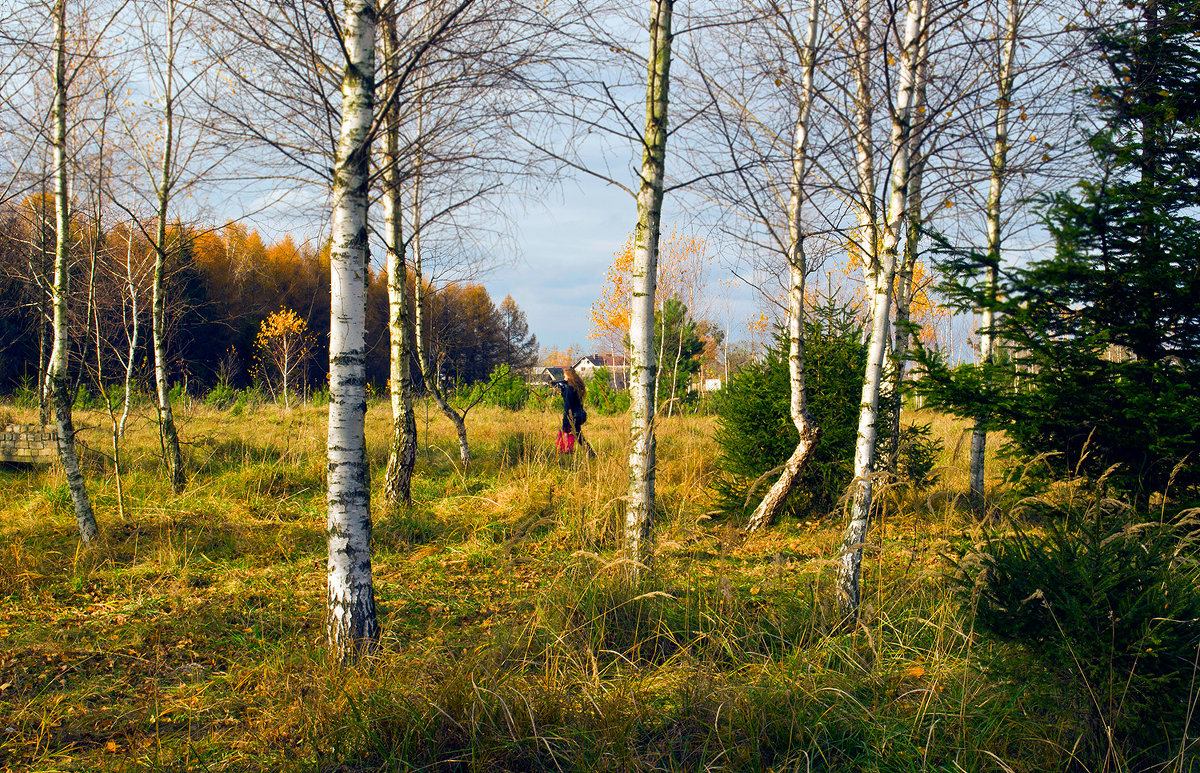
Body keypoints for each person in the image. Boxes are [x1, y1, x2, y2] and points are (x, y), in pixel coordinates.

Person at [552, 366, 595, 457]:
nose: (564, 378)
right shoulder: (577, 387)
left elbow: (568, 405)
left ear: (569, 376)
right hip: (578, 415)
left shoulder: (570, 388)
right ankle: (590, 453)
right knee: (579, 437)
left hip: (572, 416)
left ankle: (566, 452)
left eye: (565, 376)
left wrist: (565, 422)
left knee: (576, 437)